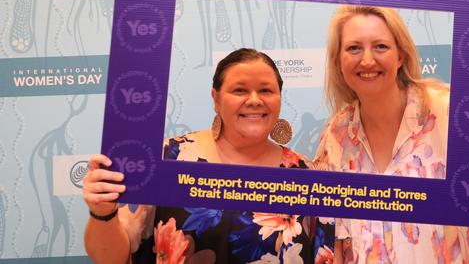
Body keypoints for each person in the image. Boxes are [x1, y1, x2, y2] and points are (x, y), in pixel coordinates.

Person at [314, 5, 469, 263]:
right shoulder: (336, 136)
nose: (367, 60)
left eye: (380, 46)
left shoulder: (454, 112)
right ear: (338, 61)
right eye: (353, 48)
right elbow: (333, 237)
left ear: (400, 56)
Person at [83, 48, 335, 264]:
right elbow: (111, 257)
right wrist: (102, 211)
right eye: (239, 90)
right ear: (215, 99)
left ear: (279, 99)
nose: (255, 100)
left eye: (266, 90)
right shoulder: (166, 158)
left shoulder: (306, 174)